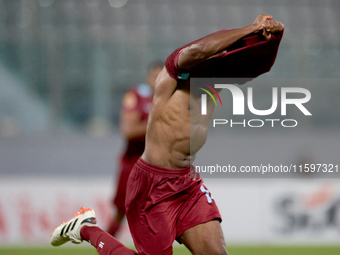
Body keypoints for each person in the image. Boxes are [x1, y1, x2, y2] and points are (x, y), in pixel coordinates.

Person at [51, 14, 284, 255]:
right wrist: (251, 28)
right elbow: (202, 48)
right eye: (217, 52)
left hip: (187, 182)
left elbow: (260, 65)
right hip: (152, 185)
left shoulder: (214, 82)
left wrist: (273, 38)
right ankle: (85, 229)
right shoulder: (173, 73)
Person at [107, 61, 163, 237]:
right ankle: (104, 247)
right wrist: (158, 124)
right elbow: (128, 130)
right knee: (121, 213)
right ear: (148, 77)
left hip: (159, 166)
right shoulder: (136, 95)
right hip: (133, 164)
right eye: (154, 76)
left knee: (159, 215)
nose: (157, 80)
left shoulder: (170, 99)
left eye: (161, 76)